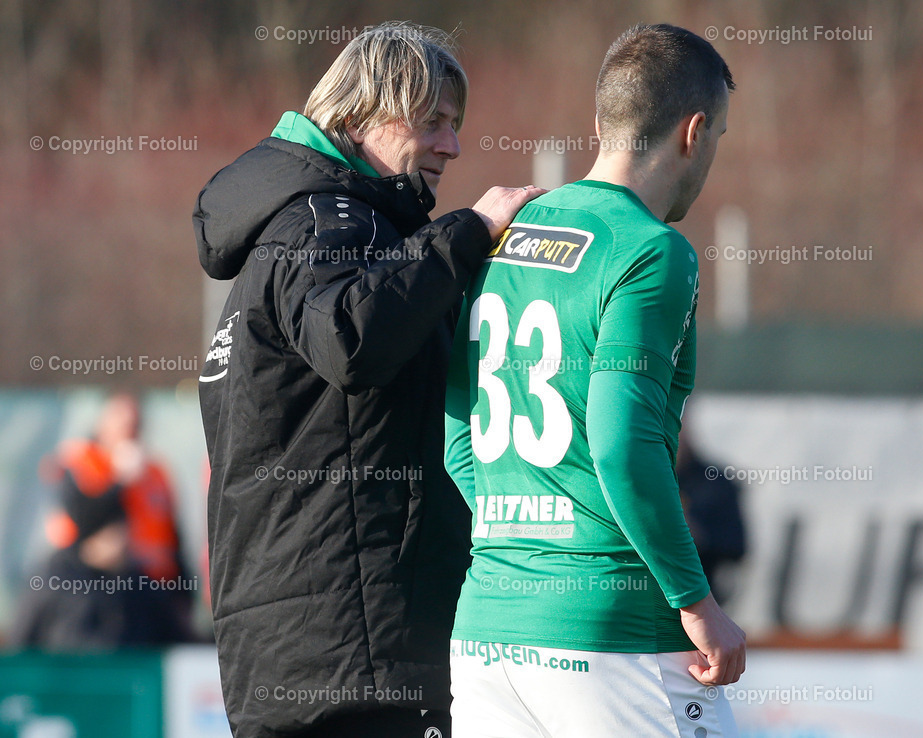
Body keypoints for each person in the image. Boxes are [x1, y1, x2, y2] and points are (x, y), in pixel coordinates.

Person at [194, 21, 542, 738]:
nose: (452, 145)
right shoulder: (324, 222)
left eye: (457, 125)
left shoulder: (312, 228)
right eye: (433, 122)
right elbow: (353, 340)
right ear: (358, 116)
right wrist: (470, 231)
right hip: (354, 666)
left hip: (313, 660)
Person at [444, 24, 743, 737]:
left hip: (488, 632)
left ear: (601, 124)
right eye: (721, 136)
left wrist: (516, 549)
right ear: (694, 131)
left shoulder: (504, 230)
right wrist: (696, 601)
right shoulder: (651, 251)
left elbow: (457, 428)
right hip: (612, 638)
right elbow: (620, 443)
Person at [9, 472, 193, 648]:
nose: (123, 542)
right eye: (113, 534)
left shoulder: (140, 586)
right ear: (91, 539)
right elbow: (20, 647)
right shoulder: (52, 582)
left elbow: (178, 638)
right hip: (65, 680)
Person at [41, 393, 188, 585]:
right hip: (90, 582)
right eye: (122, 425)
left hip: (155, 584)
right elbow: (83, 518)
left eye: (134, 426)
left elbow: (172, 534)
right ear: (102, 424)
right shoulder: (82, 461)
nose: (128, 433)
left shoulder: (155, 472)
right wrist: (120, 482)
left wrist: (182, 590)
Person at [676, 423, 747, 604]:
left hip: (701, 600)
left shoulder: (714, 480)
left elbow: (737, 547)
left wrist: (699, 536)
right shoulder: (626, 480)